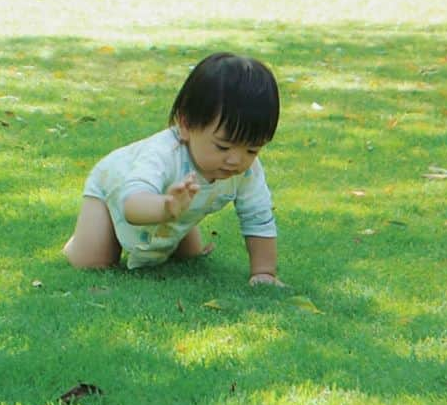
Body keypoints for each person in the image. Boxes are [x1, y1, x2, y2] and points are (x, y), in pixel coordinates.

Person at [63, 52, 283, 286]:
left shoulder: (247, 172)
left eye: (253, 150)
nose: (237, 160)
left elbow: (257, 217)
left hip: (174, 205)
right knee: (94, 262)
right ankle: (77, 242)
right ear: (186, 124)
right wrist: (166, 206)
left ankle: (176, 225)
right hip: (116, 190)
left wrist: (264, 272)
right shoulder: (162, 154)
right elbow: (132, 205)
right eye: (223, 146)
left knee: (187, 259)